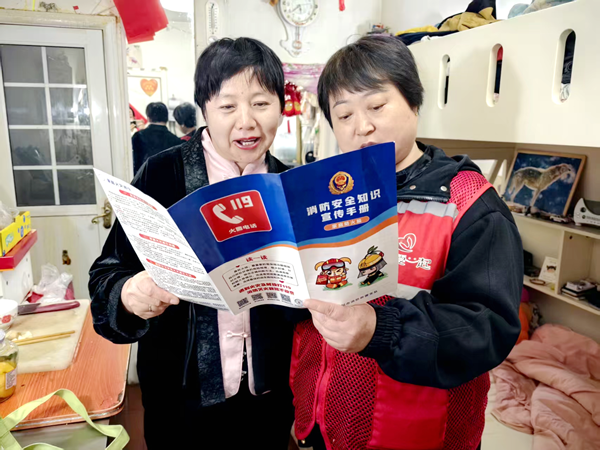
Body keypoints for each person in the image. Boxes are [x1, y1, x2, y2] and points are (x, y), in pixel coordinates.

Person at [291, 35, 523, 450]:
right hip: (326, 422)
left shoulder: (470, 204)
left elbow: (487, 328)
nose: (362, 126)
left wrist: (379, 329)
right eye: (344, 115)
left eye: (377, 106)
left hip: (417, 434)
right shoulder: (327, 195)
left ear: (414, 101)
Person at [89, 38, 299, 449]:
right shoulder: (162, 174)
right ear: (204, 109)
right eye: (228, 106)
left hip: (270, 397)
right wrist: (130, 293)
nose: (246, 122)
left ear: (280, 106)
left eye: (261, 103)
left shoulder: (291, 185)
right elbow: (105, 277)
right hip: (181, 403)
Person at [131, 102, 181, 174]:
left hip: (144, 179)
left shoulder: (138, 137)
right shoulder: (176, 141)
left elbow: (134, 164)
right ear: (167, 117)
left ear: (148, 118)